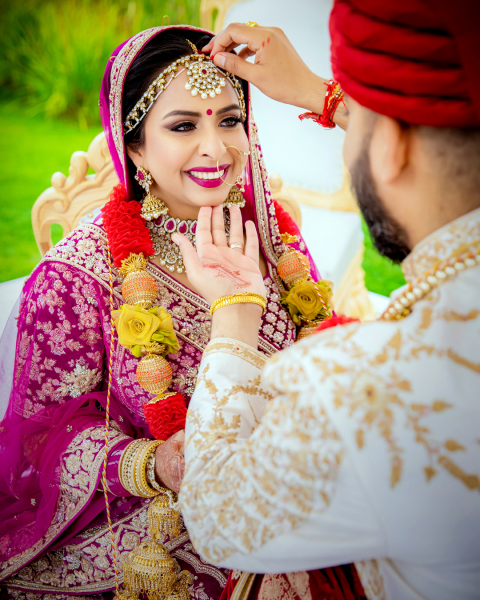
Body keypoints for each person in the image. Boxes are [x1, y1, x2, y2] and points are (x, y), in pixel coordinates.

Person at [0, 23, 364, 600]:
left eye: (229, 119)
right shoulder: (75, 277)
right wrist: (155, 462)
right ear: (134, 145)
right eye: (183, 126)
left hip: (295, 478)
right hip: (161, 519)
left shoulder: (267, 233)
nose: (217, 149)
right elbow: (42, 443)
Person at [175, 2, 480, 600]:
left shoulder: (370, 389)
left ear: (390, 143)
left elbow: (216, 516)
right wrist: (329, 97)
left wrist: (235, 323)